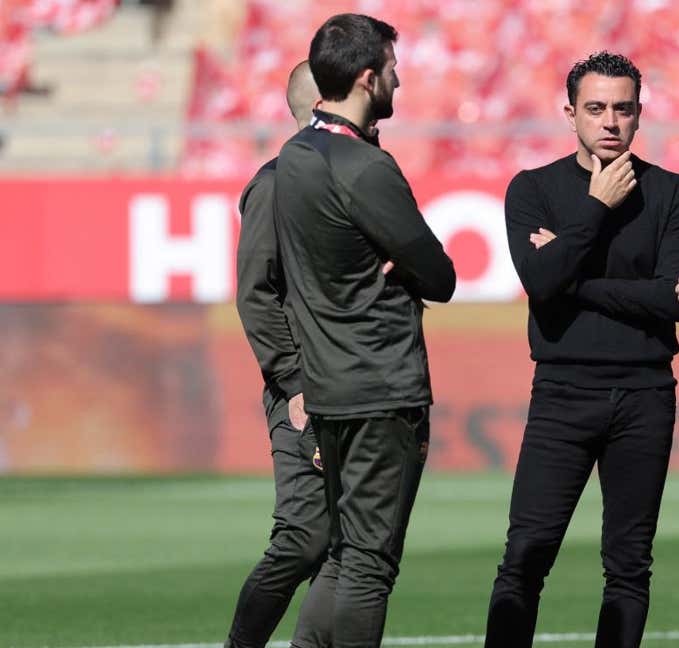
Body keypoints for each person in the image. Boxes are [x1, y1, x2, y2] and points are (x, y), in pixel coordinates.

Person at [484, 51, 679, 648]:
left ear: (639, 115)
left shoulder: (672, 193)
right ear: (570, 113)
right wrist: (594, 208)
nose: (610, 121)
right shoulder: (532, 189)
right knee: (525, 556)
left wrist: (576, 278)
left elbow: (674, 299)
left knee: (628, 566)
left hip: (645, 395)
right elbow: (540, 281)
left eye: (623, 109)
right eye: (596, 108)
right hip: (562, 392)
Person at [273, 14, 456, 648]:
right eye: (394, 69)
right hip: (381, 387)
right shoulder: (365, 168)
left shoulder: (292, 159)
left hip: (328, 386)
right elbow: (440, 274)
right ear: (369, 76)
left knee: (346, 551)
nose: (400, 81)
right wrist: (400, 263)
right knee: (369, 562)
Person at [228, 60, 330, 648]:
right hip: (306, 390)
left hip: (357, 384)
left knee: (350, 549)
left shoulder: (358, 179)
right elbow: (255, 293)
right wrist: (293, 382)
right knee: (302, 539)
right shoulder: (274, 184)